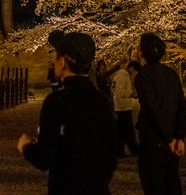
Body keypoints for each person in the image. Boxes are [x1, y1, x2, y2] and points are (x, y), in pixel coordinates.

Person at [17, 31, 117, 195]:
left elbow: (44, 158)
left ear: (62, 62)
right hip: (97, 188)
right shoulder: (102, 102)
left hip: (64, 187)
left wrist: (26, 146)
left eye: (55, 57)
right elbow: (111, 157)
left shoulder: (56, 102)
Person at [134, 33, 186, 195]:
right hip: (172, 140)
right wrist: (179, 137)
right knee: (172, 183)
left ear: (142, 51)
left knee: (154, 186)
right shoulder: (171, 74)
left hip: (154, 140)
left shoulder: (143, 77)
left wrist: (169, 138)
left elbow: (152, 109)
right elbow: (182, 106)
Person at [111, 60, 138, 157]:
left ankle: (120, 151)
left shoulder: (119, 74)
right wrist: (131, 93)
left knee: (121, 131)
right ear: (133, 69)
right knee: (128, 130)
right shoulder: (124, 75)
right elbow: (122, 92)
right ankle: (133, 150)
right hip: (124, 106)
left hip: (120, 106)